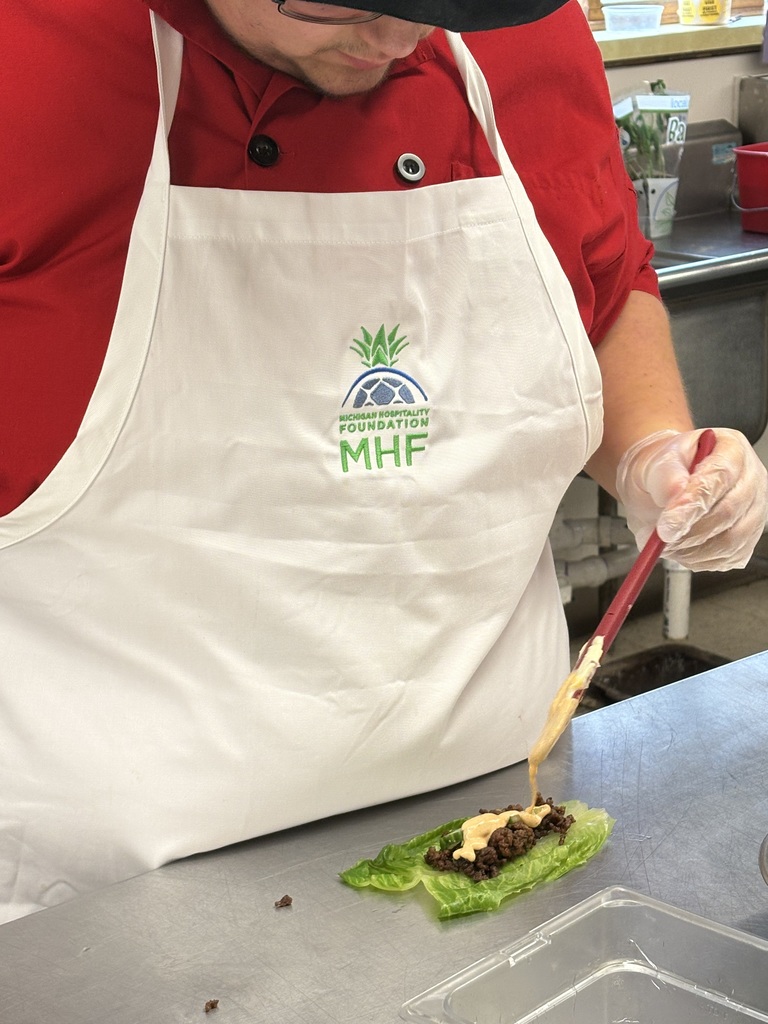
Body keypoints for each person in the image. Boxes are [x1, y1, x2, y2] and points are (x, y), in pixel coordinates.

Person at [1, 0, 765, 925]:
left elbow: (600, 277)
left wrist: (652, 454)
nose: (400, 40)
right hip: (113, 898)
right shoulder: (30, 58)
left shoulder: (522, 37)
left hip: (500, 820)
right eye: (341, 1)